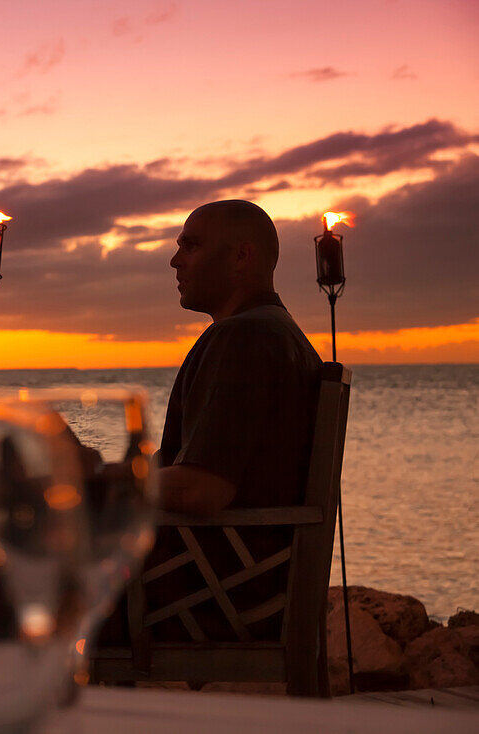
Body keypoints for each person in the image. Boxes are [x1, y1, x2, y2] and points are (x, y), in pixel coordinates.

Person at [106, 199, 322, 642]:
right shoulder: (281, 337)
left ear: (243, 256)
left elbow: (203, 490)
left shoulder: (243, 340)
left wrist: (94, 481)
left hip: (207, 593)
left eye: (191, 246)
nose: (175, 260)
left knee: (24, 551)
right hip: (251, 581)